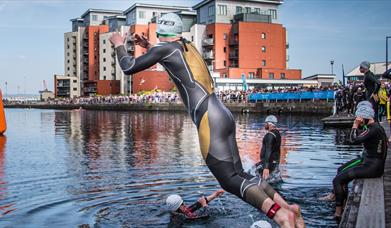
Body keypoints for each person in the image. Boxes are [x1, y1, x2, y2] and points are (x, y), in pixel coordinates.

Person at [109, 13, 304, 228]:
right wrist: (149, 46)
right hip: (222, 112)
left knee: (229, 180)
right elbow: (171, 60)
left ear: (159, 31)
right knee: (239, 174)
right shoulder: (186, 46)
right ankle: (287, 207)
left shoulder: (163, 49)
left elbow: (128, 66)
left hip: (208, 119)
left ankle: (280, 216)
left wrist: (119, 43)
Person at [321, 101, 387, 221]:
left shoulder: (373, 129)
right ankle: (339, 197)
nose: (357, 120)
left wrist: (355, 125)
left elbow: (352, 139)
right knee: (340, 170)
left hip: (372, 166)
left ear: (364, 118)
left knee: (337, 180)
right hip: (369, 161)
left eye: (358, 118)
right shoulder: (375, 127)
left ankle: (338, 212)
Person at [256, 115, 282, 182]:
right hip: (275, 162)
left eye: (265, 123)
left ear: (269, 124)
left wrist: (266, 167)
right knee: (272, 181)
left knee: (251, 172)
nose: (264, 125)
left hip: (268, 163)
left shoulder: (269, 135)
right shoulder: (277, 133)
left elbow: (268, 150)